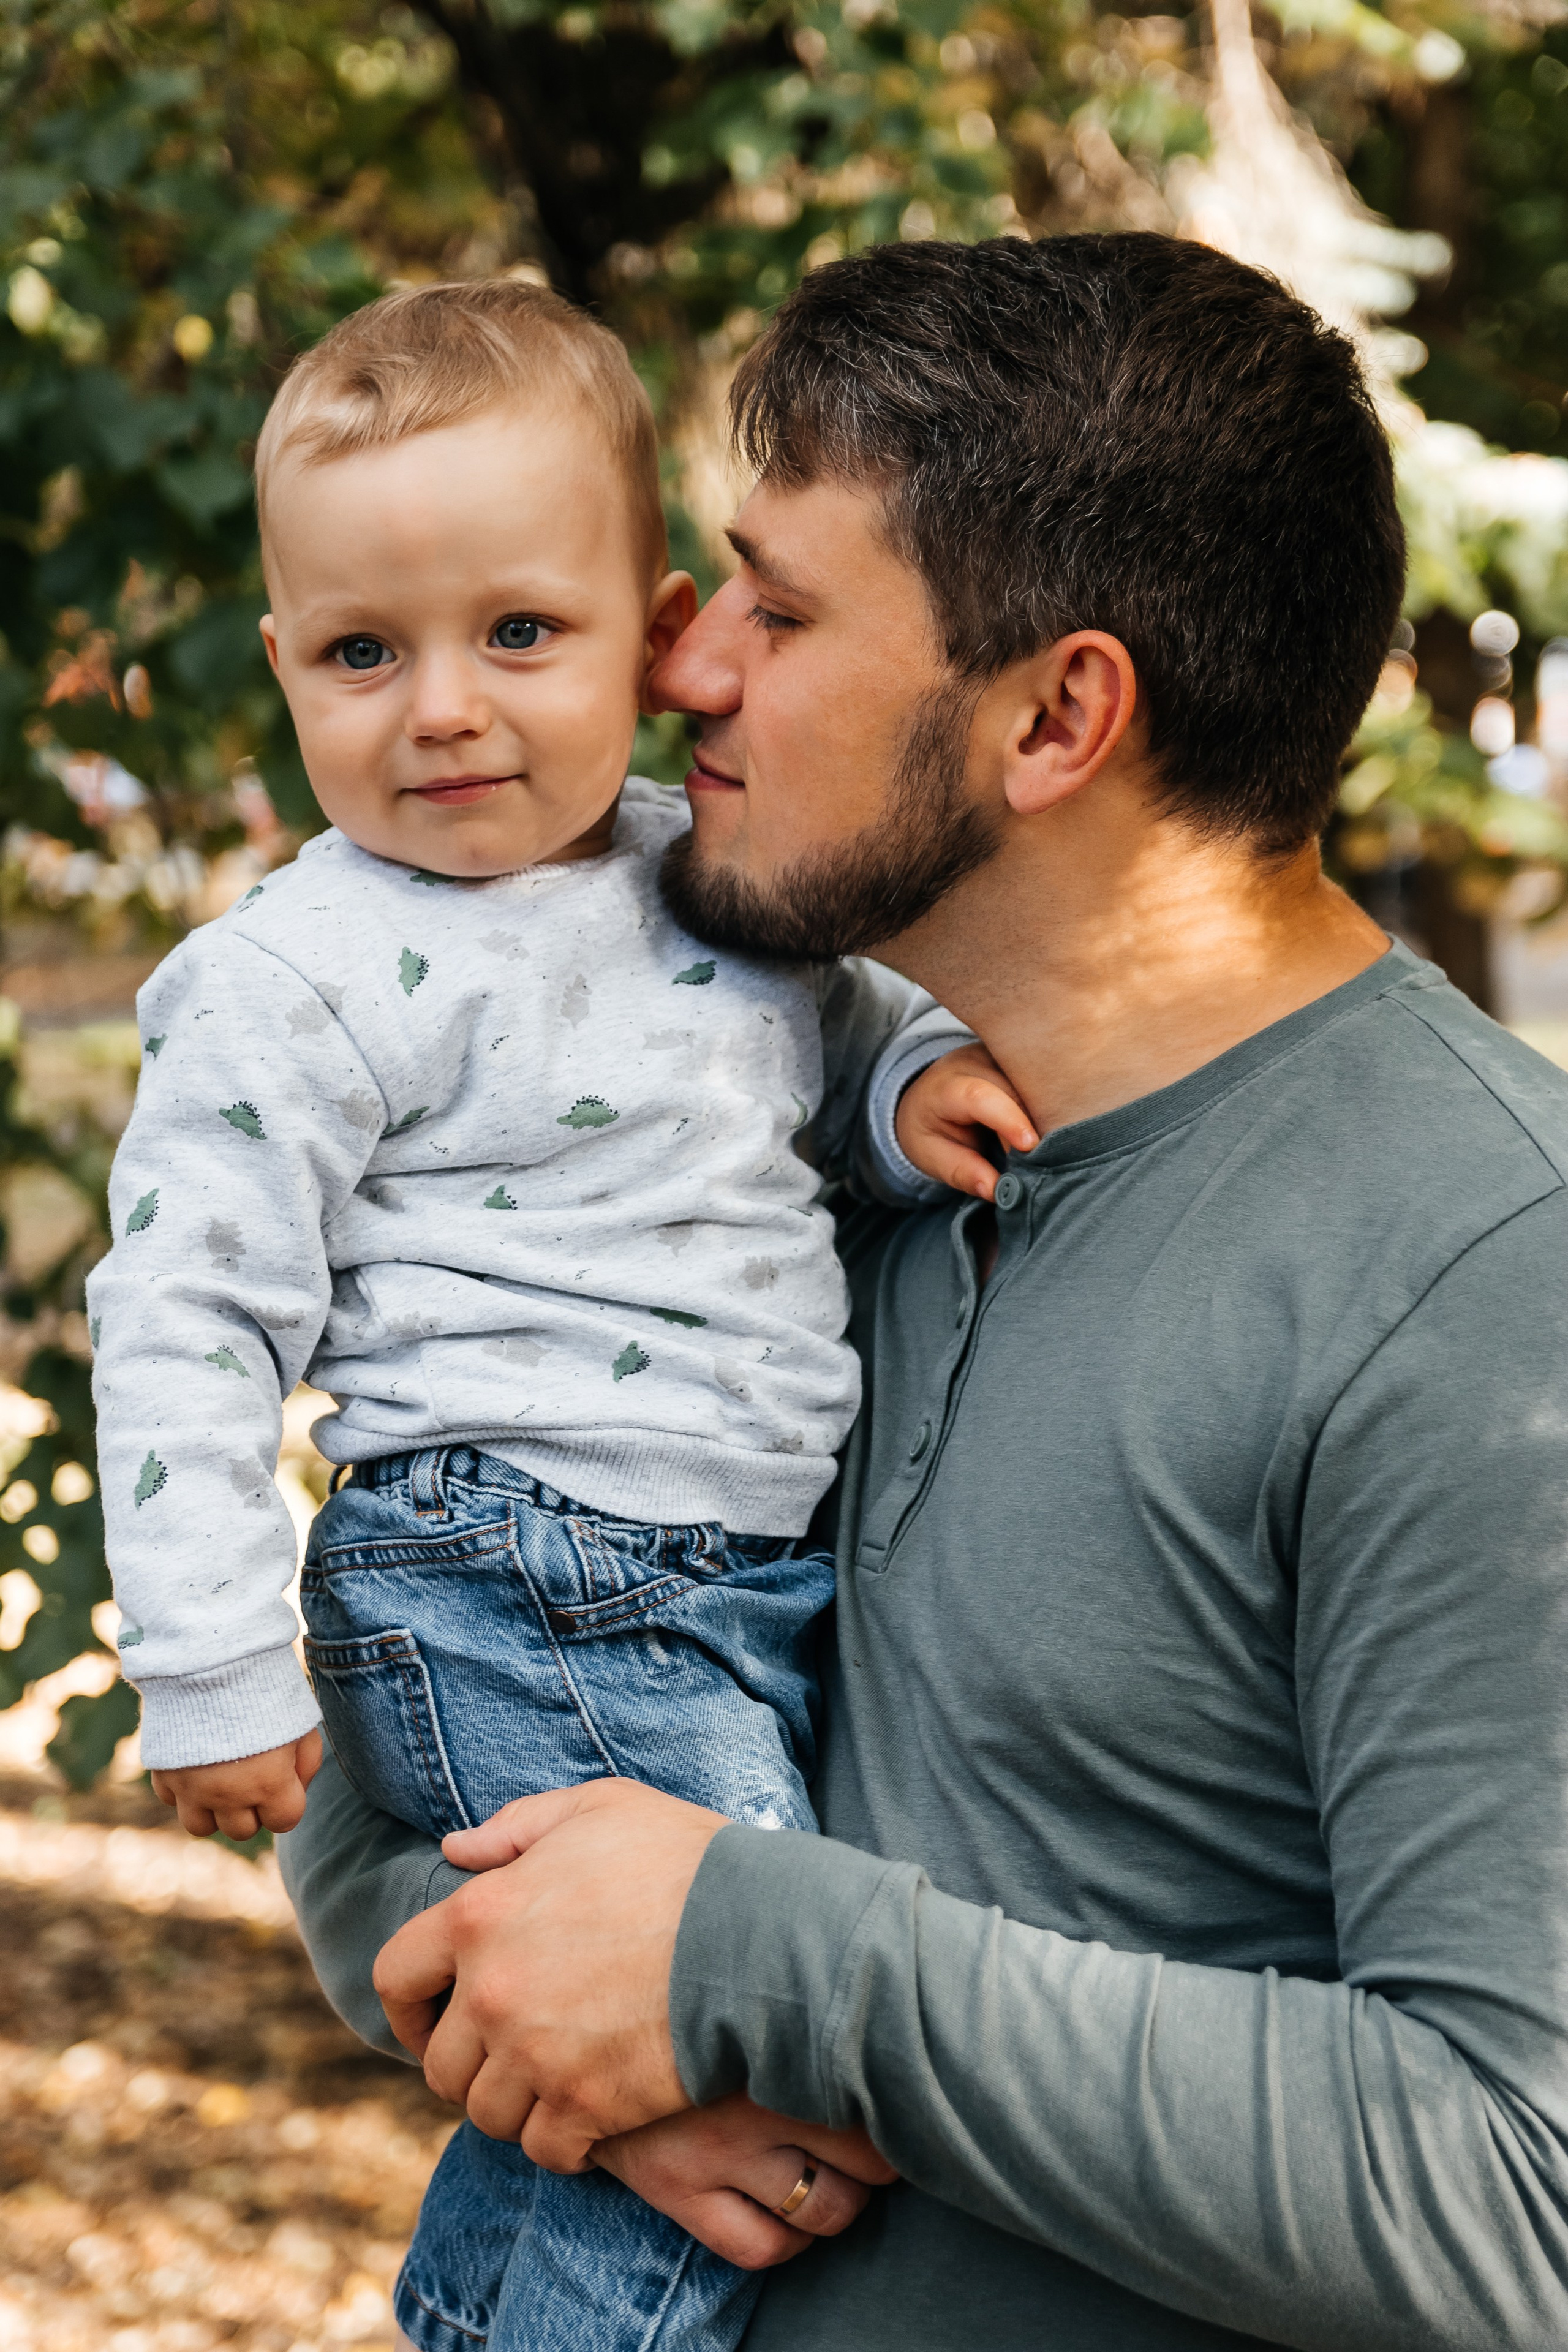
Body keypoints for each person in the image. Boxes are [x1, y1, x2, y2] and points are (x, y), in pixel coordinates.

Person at [285, 232, 1568, 2351]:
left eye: (782, 614)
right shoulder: (773, 1126)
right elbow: (382, 1804)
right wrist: (585, 2045)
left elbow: (1520, 2198)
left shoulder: (1482, 1279)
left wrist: (748, 1965)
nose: (685, 668)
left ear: (1059, 713)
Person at [85, 278, 1031, 2352]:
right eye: (361, 652)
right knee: (734, 2035)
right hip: (512, 1564)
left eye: (520, 634)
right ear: (281, 667)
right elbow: (182, 1318)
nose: (441, 708)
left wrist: (910, 1087)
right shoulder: (304, 974)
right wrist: (214, 1664)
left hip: (713, 1579)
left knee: (608, 2063)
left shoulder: (717, 881)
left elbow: (837, 1037)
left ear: (654, 626)